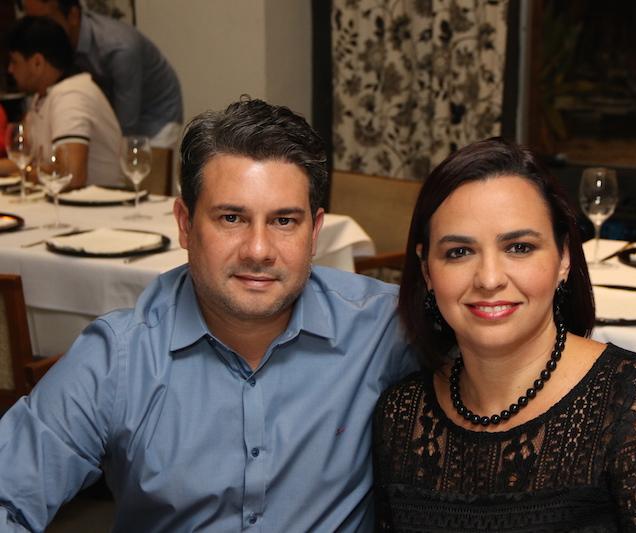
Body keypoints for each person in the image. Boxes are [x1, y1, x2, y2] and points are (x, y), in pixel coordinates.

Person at [0, 98, 416, 532]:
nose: (258, 250)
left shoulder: (382, 328)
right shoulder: (119, 360)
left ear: (314, 232)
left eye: (284, 221)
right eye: (231, 218)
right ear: (185, 223)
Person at [372, 138, 636, 531]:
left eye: (519, 247)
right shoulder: (402, 414)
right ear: (427, 271)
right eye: (459, 252)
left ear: (563, 258)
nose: (489, 279)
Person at [23, 0, 183, 147]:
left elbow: (127, 123)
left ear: (73, 15)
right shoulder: (62, 42)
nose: (37, 31)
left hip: (156, 115)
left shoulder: (118, 47)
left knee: (137, 164)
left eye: (45, 20)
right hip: (118, 117)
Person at [1, 16, 126, 189]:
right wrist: (25, 169)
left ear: (37, 63)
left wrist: (24, 173)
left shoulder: (71, 95)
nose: (10, 70)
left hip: (100, 202)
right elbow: (24, 158)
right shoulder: (43, 96)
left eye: (14, 62)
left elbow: (71, 176)